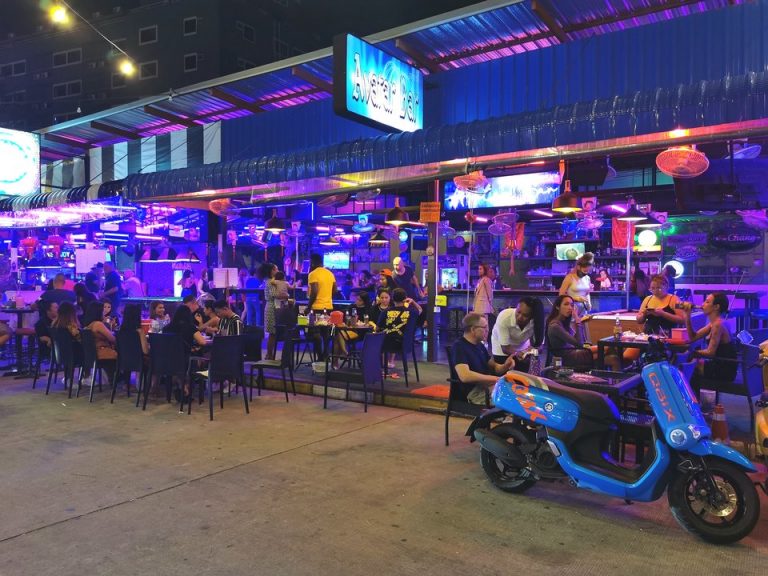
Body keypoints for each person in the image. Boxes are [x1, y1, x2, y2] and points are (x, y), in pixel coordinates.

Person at [452, 312, 515, 406]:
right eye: (484, 327)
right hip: (474, 392)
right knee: (512, 403)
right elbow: (465, 376)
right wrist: (494, 379)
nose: (487, 330)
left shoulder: (479, 345)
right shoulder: (459, 346)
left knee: (518, 396)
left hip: (487, 387)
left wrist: (506, 365)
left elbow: (496, 368)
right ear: (473, 329)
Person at [684, 292, 738, 387]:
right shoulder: (713, 323)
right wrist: (687, 316)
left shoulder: (718, 325)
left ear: (716, 307)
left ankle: (691, 395)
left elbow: (710, 353)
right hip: (719, 363)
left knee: (688, 367)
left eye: (707, 302)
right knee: (690, 363)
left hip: (724, 369)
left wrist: (692, 353)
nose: (702, 304)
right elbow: (693, 337)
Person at [377, 288, 422, 379]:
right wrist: (412, 301)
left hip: (387, 344)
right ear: (405, 298)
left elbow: (377, 328)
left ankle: (379, 370)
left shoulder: (386, 311)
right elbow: (420, 309)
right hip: (406, 344)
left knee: (373, 342)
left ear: (392, 299)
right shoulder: (412, 312)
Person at [490, 297, 544, 372]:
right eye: (518, 312)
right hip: (501, 348)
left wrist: (529, 351)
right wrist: (517, 353)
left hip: (523, 348)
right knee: (504, 374)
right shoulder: (504, 317)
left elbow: (540, 346)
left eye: (525, 315)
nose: (520, 317)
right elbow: (505, 348)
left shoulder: (537, 322)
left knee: (523, 375)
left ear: (532, 316)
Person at [546, 295, 593, 371]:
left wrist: (576, 323)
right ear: (557, 307)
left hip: (573, 353)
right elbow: (580, 344)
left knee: (609, 355)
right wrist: (577, 320)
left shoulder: (563, 322)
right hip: (567, 358)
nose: (570, 308)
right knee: (603, 349)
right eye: (566, 304)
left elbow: (581, 341)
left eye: (571, 305)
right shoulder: (555, 326)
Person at [82, 301, 117, 382]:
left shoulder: (89, 325)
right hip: (101, 352)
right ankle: (118, 379)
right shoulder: (98, 324)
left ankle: (112, 378)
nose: (104, 313)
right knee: (122, 354)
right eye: (102, 311)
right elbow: (112, 339)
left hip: (92, 354)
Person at [258, 262, 281, 359]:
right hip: (272, 307)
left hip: (273, 306)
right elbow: (274, 294)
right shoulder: (271, 282)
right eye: (276, 269)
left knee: (273, 333)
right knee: (272, 333)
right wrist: (284, 294)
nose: (278, 271)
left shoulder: (271, 281)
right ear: (272, 271)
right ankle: (269, 355)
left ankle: (270, 354)